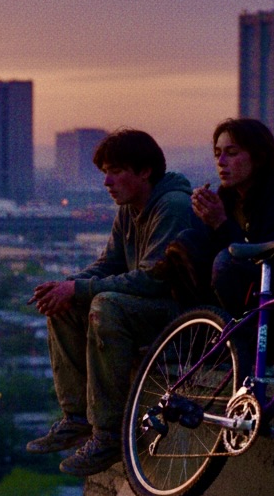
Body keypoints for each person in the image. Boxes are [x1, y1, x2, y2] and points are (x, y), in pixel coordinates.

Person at [26, 128, 198, 477]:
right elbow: (110, 263)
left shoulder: (173, 206)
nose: (106, 182)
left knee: (104, 305)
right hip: (147, 309)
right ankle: (77, 417)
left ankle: (108, 435)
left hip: (180, 315)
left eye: (115, 171)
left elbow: (153, 279)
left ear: (144, 171)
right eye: (105, 172)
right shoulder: (130, 209)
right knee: (65, 305)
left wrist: (79, 289)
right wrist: (67, 286)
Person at [154, 117, 274, 373]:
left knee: (227, 264)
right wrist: (205, 221)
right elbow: (209, 253)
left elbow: (271, 266)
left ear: (258, 158)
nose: (221, 162)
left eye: (232, 153)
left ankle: (238, 346)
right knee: (185, 244)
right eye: (217, 154)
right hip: (251, 310)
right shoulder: (229, 196)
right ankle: (202, 338)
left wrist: (221, 224)